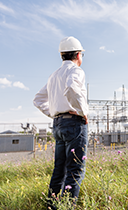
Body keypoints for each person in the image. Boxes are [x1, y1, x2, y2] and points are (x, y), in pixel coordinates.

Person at [33, 36, 89, 209]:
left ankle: (52, 205)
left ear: (62, 55)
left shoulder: (54, 75)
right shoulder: (76, 71)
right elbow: (72, 87)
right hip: (74, 124)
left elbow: (37, 99)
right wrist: (82, 112)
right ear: (78, 55)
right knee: (75, 170)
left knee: (60, 169)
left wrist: (55, 113)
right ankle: (66, 207)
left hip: (58, 125)